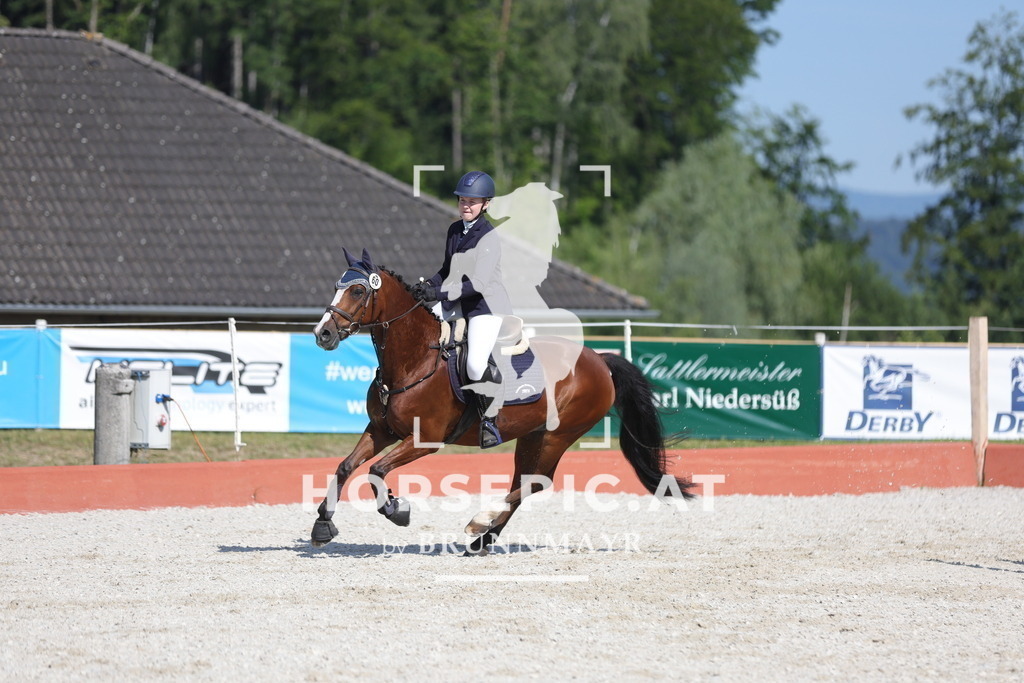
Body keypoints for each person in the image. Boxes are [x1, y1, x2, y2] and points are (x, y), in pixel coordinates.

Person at [410, 171, 511, 448]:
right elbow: (447, 270)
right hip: (454, 303)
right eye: (463, 201)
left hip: (483, 307)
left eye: (473, 202)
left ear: (486, 204)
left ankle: (489, 420)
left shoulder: (489, 237)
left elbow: (477, 284)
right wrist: (426, 286)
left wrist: (438, 293)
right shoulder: (454, 230)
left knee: (475, 363)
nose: (466, 206)